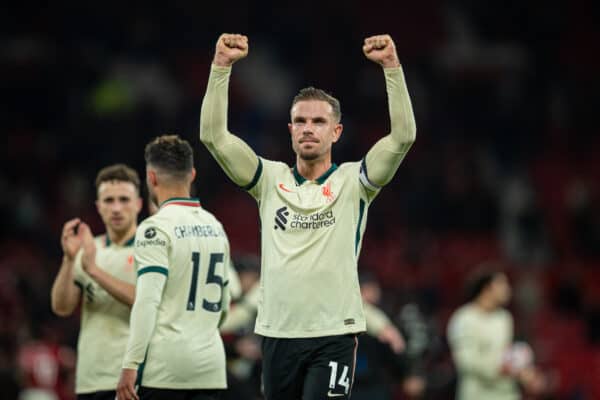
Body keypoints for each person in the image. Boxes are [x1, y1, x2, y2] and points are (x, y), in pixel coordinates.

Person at [200, 33, 416, 399]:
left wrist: (392, 70)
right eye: (300, 121)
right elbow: (214, 138)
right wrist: (220, 68)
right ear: (290, 130)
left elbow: (402, 138)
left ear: (336, 131)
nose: (308, 128)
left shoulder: (355, 181)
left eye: (318, 121)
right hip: (277, 333)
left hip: (333, 334)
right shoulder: (269, 179)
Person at [117, 135, 231, 400]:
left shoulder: (154, 229)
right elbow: (224, 304)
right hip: (210, 368)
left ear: (151, 178)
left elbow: (147, 301)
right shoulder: (216, 226)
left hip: (167, 370)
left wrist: (130, 364)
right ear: (191, 175)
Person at [50, 164, 142, 400]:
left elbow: (148, 301)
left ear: (139, 204)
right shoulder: (90, 250)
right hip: (91, 379)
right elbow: (62, 307)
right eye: (109, 200)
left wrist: (94, 270)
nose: (116, 208)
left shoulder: (152, 247)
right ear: (98, 207)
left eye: (124, 199)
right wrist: (69, 259)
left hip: (136, 378)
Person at [447, 269, 544, 400]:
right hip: (477, 394)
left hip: (506, 394)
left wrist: (524, 371)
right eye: (502, 284)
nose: (507, 289)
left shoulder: (504, 318)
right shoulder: (464, 318)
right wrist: (501, 369)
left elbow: (507, 353)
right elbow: (465, 361)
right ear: (487, 289)